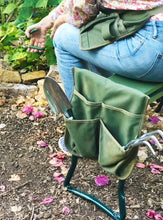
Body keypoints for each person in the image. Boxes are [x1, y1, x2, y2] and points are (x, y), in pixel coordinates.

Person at [25, 0, 163, 155]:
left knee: (63, 35)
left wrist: (62, 19)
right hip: (154, 40)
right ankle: (108, 117)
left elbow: (82, 12)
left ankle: (82, 130)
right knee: (95, 34)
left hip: (151, 51)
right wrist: (46, 21)